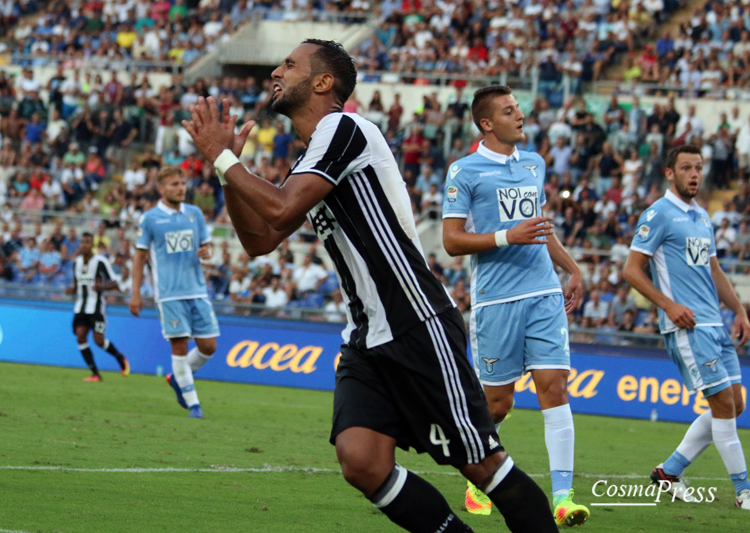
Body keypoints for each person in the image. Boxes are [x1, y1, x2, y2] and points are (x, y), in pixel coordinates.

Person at [182, 39, 557, 532]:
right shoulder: (313, 157)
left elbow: (280, 209)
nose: (276, 70)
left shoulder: (345, 128)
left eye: (289, 64)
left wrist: (223, 159)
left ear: (323, 82)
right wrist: (227, 170)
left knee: (482, 464)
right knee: (362, 461)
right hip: (367, 334)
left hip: (415, 318)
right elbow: (260, 240)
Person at [442, 85, 589, 527]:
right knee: (498, 404)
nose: (520, 116)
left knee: (554, 387)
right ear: (487, 123)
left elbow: (541, 230)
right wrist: (508, 235)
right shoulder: (464, 171)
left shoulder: (534, 163)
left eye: (518, 109)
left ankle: (563, 498)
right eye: (509, 111)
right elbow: (451, 241)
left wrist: (572, 268)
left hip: (542, 293)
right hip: (496, 300)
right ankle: (478, 477)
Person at [624, 144, 750, 510]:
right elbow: (631, 270)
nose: (694, 174)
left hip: (716, 324)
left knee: (736, 404)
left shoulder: (701, 216)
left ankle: (668, 472)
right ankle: (744, 492)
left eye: (698, 168)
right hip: (687, 326)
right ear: (669, 173)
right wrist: (669, 305)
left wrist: (739, 310)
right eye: (686, 168)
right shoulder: (659, 214)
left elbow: (714, 270)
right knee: (723, 406)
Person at [129, 167, 218, 419]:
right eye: (175, 184)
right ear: (162, 189)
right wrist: (135, 293)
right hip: (169, 294)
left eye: (182, 183)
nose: (181, 188)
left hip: (197, 290)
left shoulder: (195, 214)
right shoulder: (150, 219)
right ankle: (194, 405)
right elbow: (139, 258)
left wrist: (207, 251)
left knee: (209, 346)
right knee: (179, 346)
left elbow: (205, 245)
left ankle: (177, 379)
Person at [66, 232, 130, 382]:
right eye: (82, 242)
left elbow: (115, 283)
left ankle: (120, 357)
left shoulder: (100, 262)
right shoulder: (77, 262)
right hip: (80, 307)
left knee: (99, 341)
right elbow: (77, 284)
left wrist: (101, 287)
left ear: (92, 245)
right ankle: (95, 373)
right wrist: (71, 290)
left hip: (96, 308)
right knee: (80, 336)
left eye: (87, 242)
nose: (83, 245)